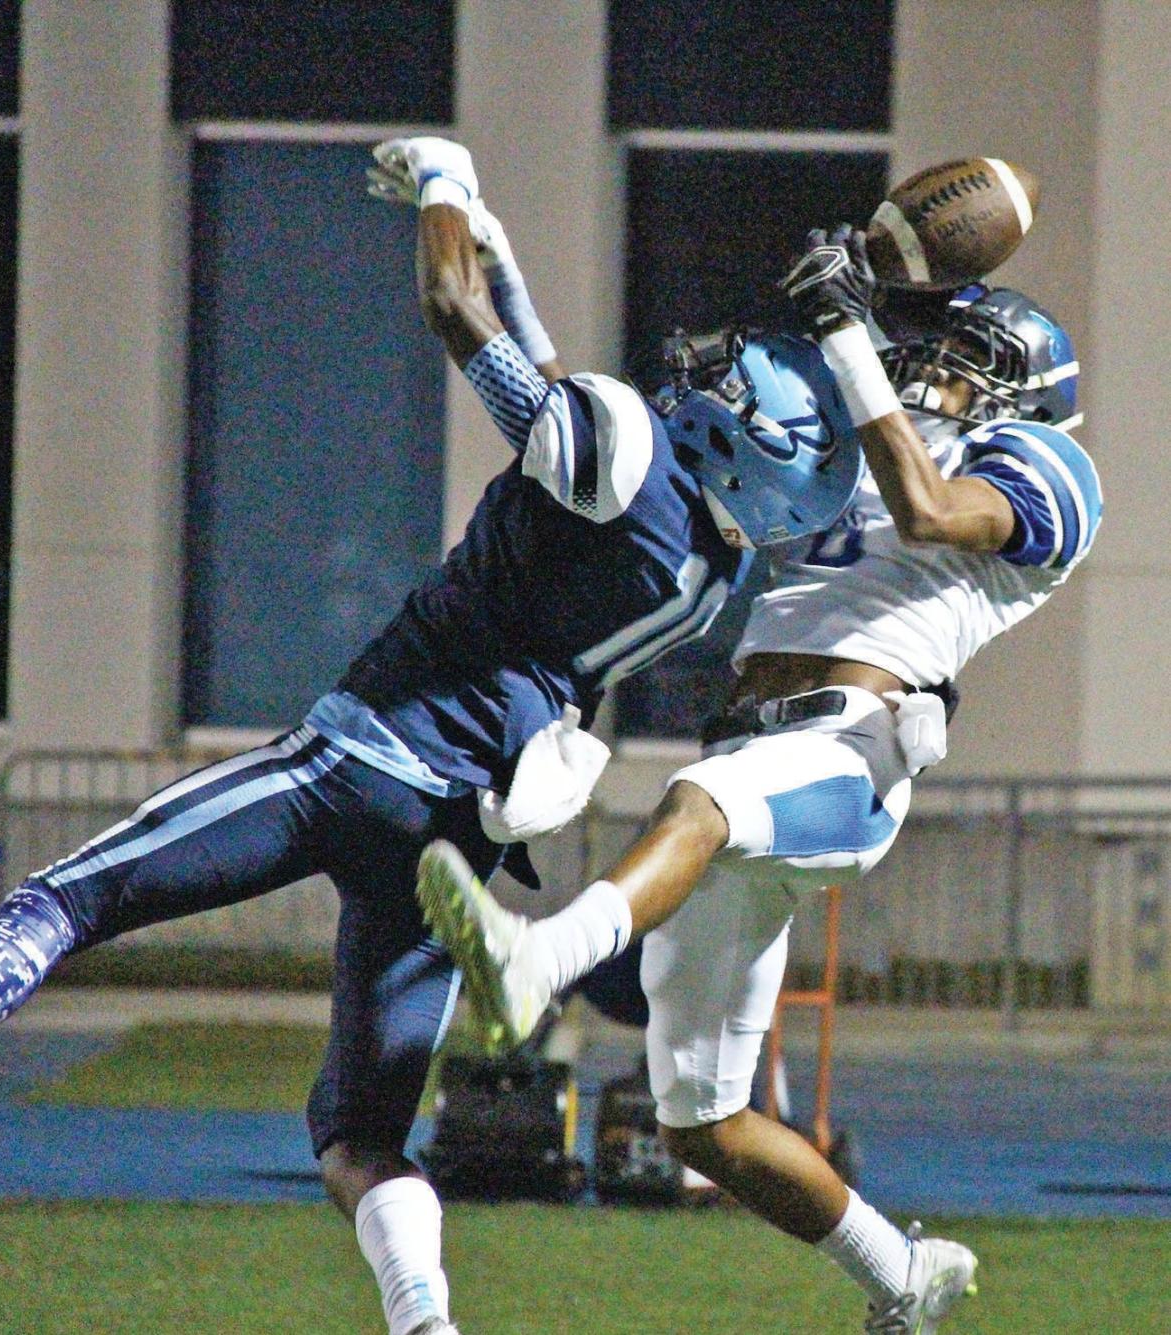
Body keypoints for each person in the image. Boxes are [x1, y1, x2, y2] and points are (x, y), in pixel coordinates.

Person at [0, 138, 863, 1335]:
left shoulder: (624, 462)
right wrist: (499, 237)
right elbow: (561, 401)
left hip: (357, 762)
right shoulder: (706, 565)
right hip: (448, 842)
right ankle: (425, 1320)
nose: (709, 385)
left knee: (60, 903)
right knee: (362, 1139)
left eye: (735, 396)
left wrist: (443, 186)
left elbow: (453, 313)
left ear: (748, 444)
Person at [417, 227, 1103, 1332]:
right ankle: (906, 1276)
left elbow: (933, 511)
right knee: (701, 1122)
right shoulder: (875, 449)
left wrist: (846, 333)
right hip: (753, 740)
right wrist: (511, 289)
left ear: (1016, 388)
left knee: (698, 809)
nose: (934, 369)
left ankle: (539, 959)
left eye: (963, 360)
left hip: (853, 750)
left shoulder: (1048, 468)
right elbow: (620, 452)